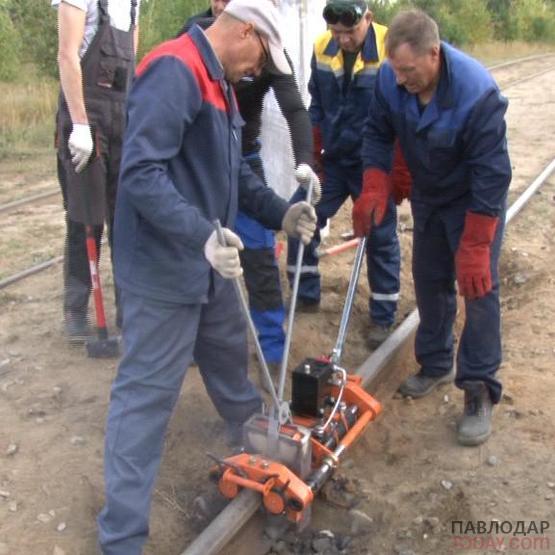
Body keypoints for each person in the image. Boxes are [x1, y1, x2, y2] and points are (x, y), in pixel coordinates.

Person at [96, 1, 317, 552]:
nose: (259, 72)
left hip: (209, 267)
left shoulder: (218, 81)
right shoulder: (174, 69)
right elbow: (141, 174)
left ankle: (264, 467)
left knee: (233, 380)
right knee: (145, 400)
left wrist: (280, 213)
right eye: (262, 57)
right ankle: (121, 538)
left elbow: (234, 170)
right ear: (245, 31)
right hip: (164, 271)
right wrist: (201, 235)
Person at [358, 9, 511, 446]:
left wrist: (477, 242)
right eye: (396, 70)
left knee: (478, 288)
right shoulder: (391, 79)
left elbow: (492, 173)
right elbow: (376, 133)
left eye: (409, 70)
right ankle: (436, 362)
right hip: (429, 193)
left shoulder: (476, 93)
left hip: (473, 200)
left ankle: (478, 389)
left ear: (434, 54)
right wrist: (374, 184)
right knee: (429, 279)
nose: (402, 79)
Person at [178, 2, 314, 377]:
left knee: (258, 256)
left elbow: (296, 109)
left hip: (244, 156)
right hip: (200, 159)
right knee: (197, 247)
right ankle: (190, 338)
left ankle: (270, 348)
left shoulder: (268, 45)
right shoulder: (193, 38)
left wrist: (304, 162)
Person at [287, 0, 402, 349]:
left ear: (368, 18)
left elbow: (401, 114)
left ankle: (383, 316)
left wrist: (391, 173)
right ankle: (305, 294)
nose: (343, 39)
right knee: (299, 217)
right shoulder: (323, 46)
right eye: (336, 32)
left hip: (373, 165)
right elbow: (317, 103)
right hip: (334, 161)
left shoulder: (390, 48)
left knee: (379, 234)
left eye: (349, 32)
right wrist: (314, 151)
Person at [53, 0, 140, 342]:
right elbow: (67, 56)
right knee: (84, 218)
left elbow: (130, 66)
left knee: (126, 218)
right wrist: (79, 124)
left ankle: (129, 309)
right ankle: (76, 308)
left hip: (122, 118)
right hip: (86, 116)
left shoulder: (134, 4)